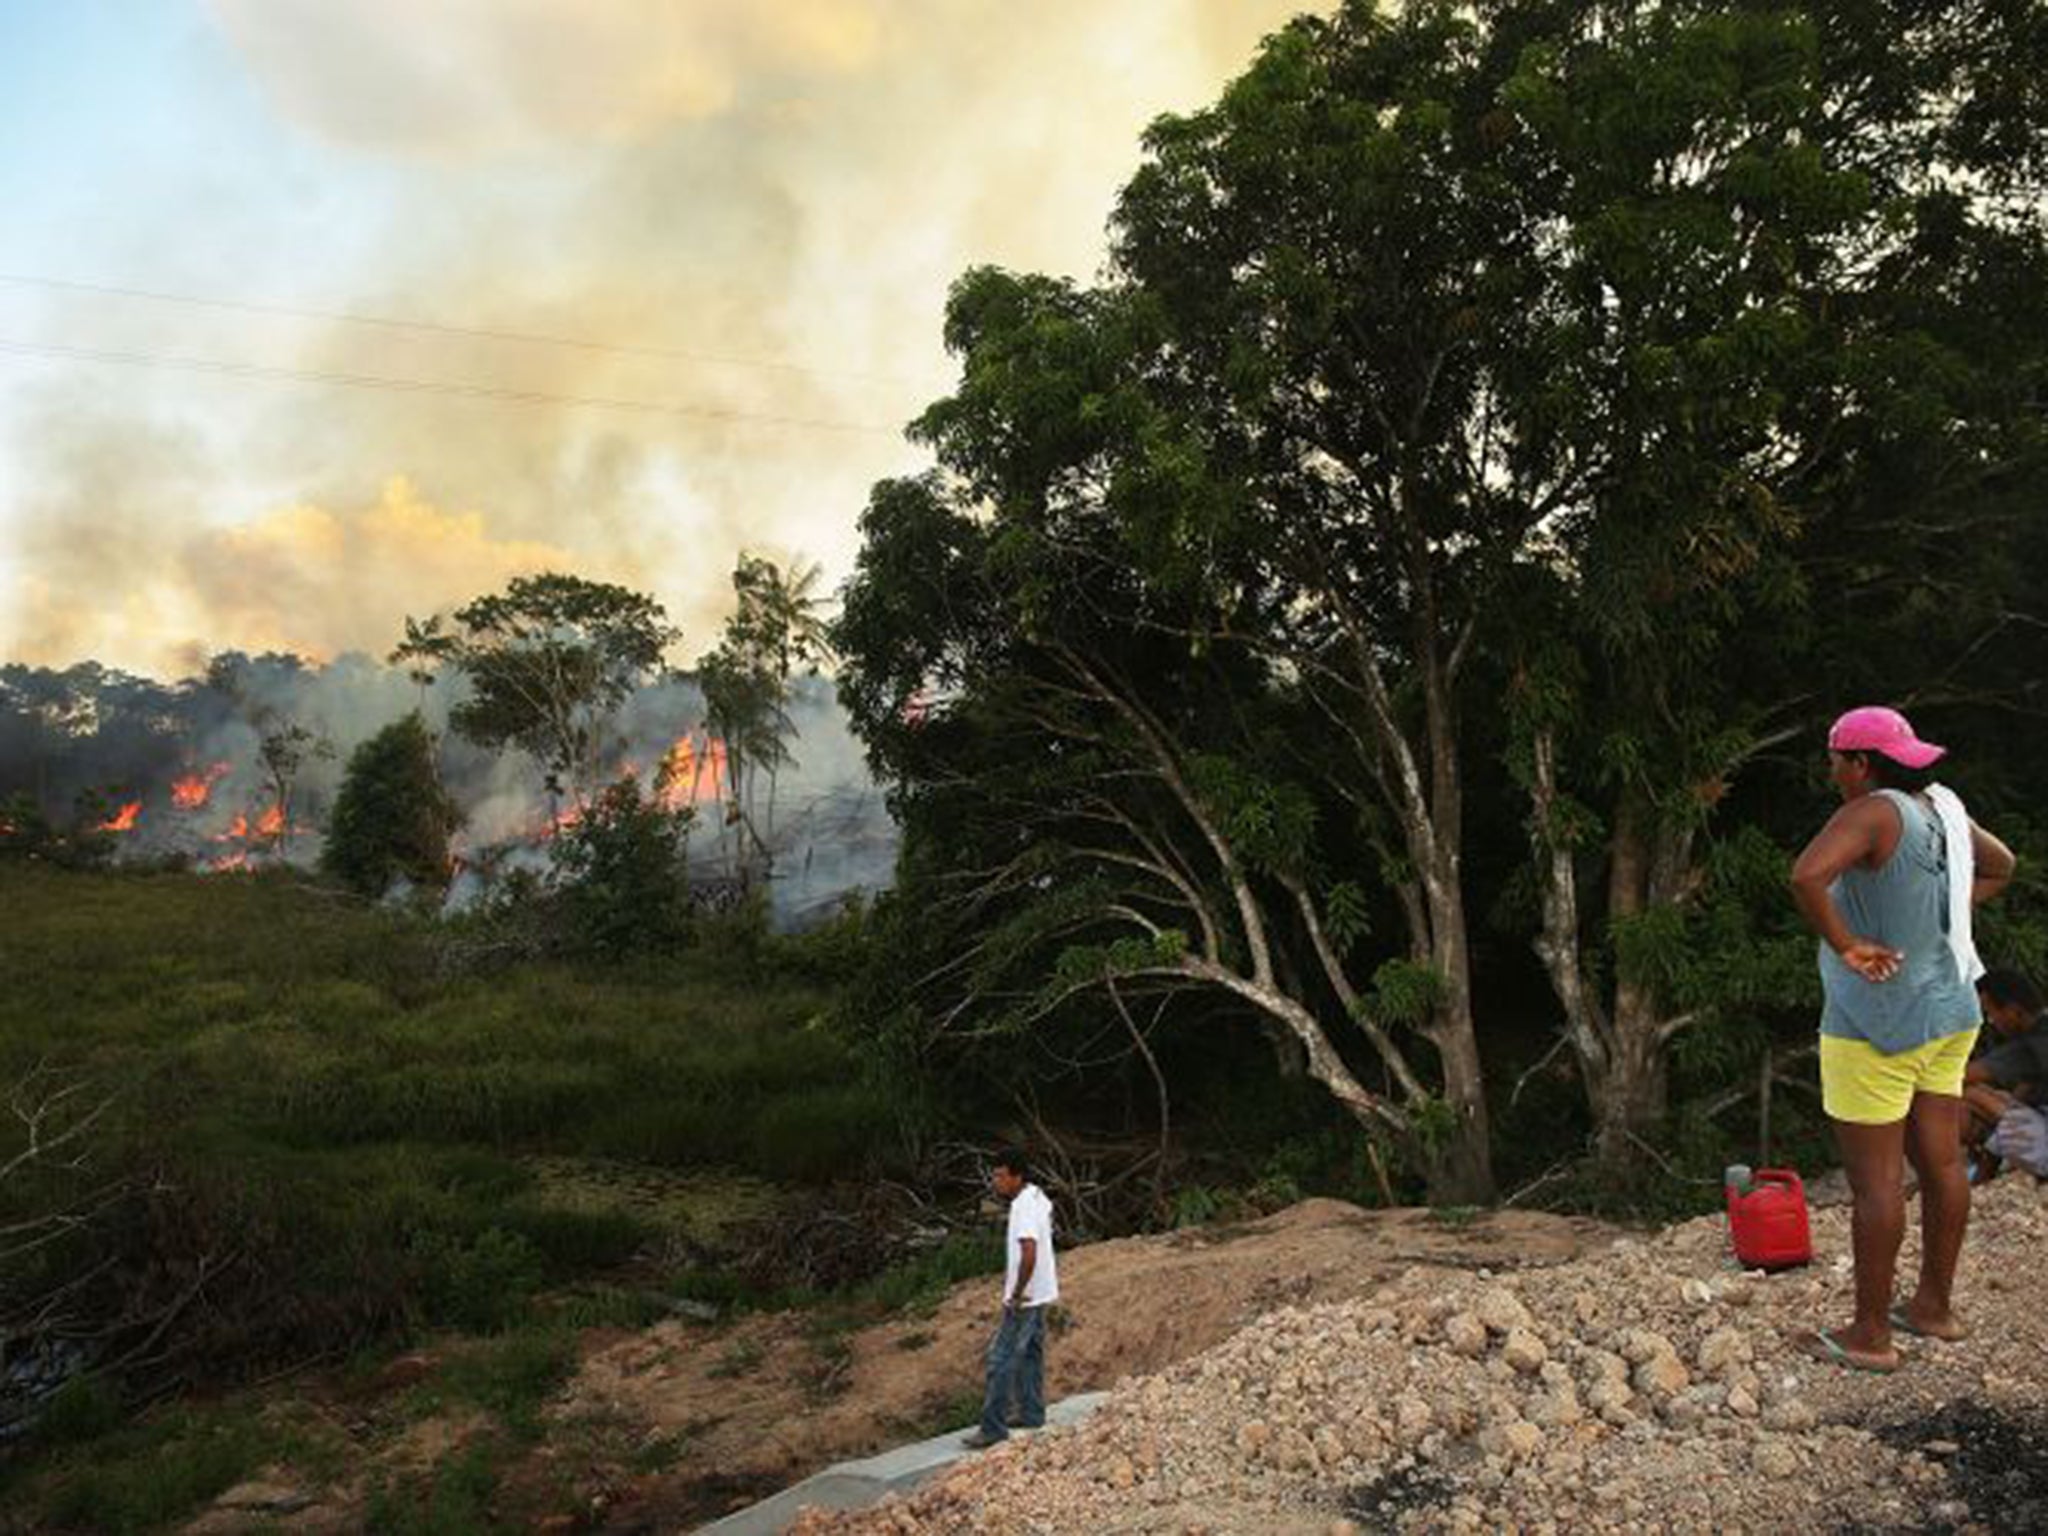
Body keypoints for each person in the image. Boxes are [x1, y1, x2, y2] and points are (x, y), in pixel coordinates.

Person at [1789, 706, 2014, 1372]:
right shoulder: (1942, 805)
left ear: (1861, 763)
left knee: (1877, 1184)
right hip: (1950, 1010)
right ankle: (1933, 1309)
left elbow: (1805, 876)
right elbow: (2002, 865)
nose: (1832, 773)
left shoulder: (1873, 811)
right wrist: (1936, 909)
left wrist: (1849, 943)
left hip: (1877, 1024)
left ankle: (1868, 1336)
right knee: (1941, 1162)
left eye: (1836, 760)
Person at [960, 1150, 1059, 1449]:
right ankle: (1031, 1413)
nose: (996, 1181)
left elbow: (1029, 1251)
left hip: (1026, 1295)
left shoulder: (1021, 1208)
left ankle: (992, 1428)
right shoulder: (1037, 1196)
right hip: (1041, 1290)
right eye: (995, 1175)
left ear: (1017, 1176)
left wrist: (1016, 1293)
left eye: (1001, 1175)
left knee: (999, 1359)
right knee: (1031, 1352)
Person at [1964, 968, 2048, 1179]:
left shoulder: (2033, 1045)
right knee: (2002, 1098)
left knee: (1971, 1094)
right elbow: (2021, 1099)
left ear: (2013, 1010)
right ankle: (1981, 1175)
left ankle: (1953, 1170)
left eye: (1990, 1014)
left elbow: (1961, 1076)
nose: (1991, 1022)